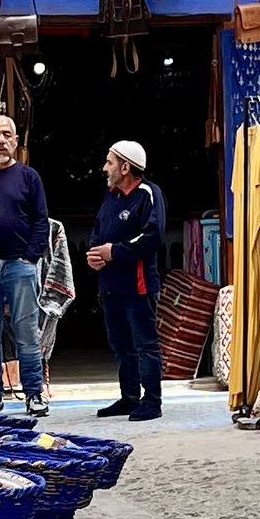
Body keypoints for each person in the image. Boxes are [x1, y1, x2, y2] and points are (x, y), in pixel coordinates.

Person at [0, 116, 50, 416]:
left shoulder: (29, 178)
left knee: (27, 332)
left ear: (16, 141)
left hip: (20, 265)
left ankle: (34, 394)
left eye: (7, 135)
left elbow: (41, 221)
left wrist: (30, 257)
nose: (1, 141)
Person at [86, 138, 166, 420]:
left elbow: (152, 237)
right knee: (121, 346)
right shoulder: (111, 196)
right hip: (111, 287)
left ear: (125, 167)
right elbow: (98, 231)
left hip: (138, 286)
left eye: (109, 162)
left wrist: (113, 253)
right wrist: (95, 254)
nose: (104, 168)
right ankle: (129, 398)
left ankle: (152, 401)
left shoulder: (147, 194)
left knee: (145, 344)